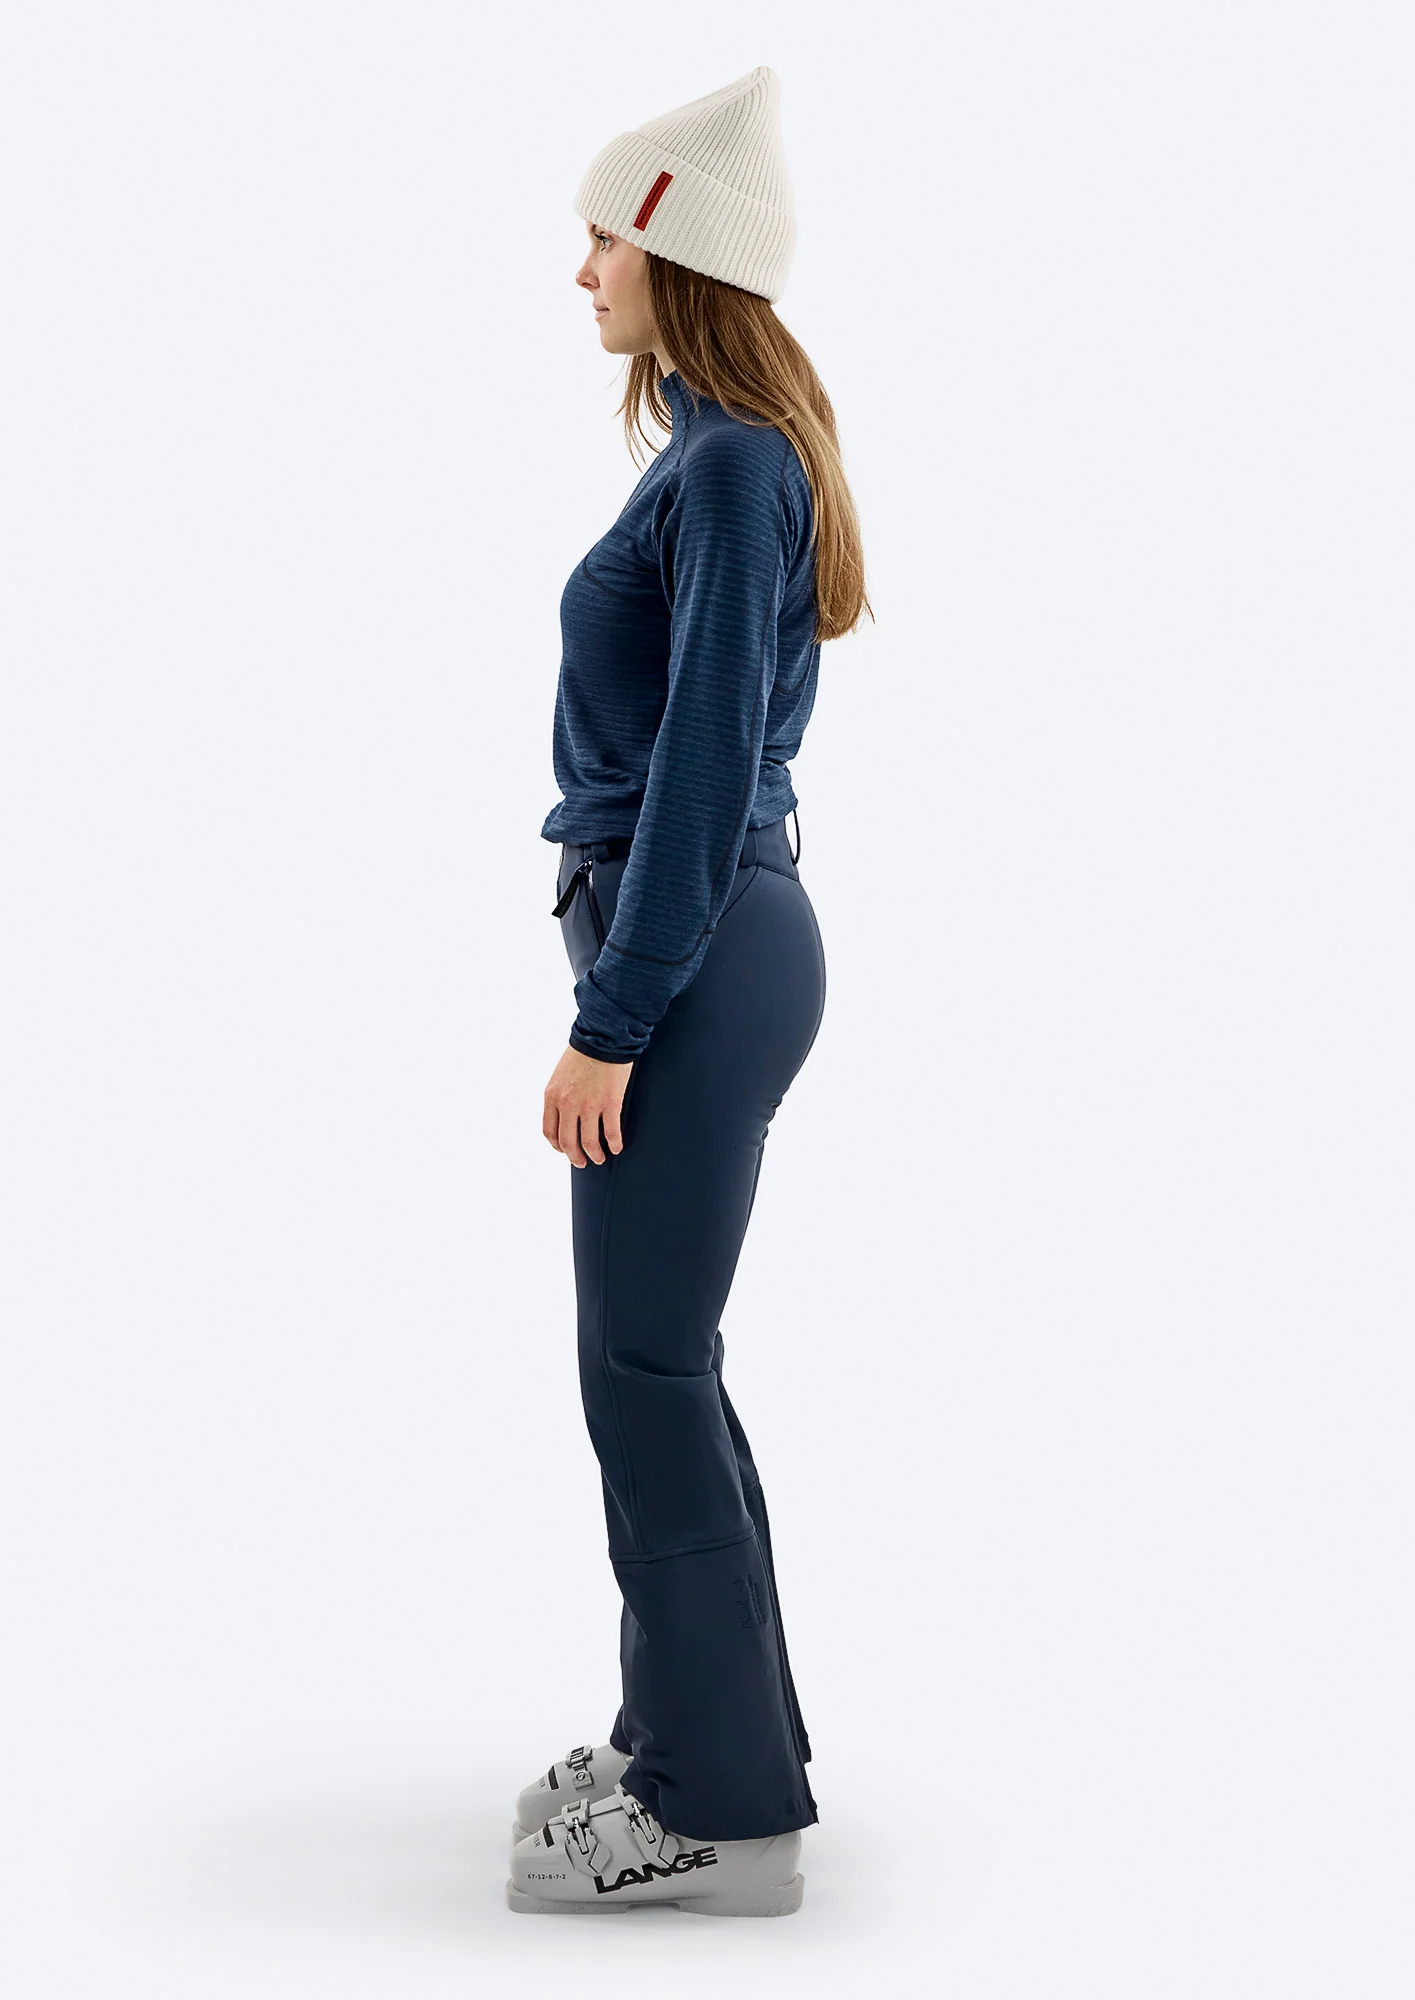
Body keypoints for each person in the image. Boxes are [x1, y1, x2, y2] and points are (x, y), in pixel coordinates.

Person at [507, 65, 871, 1918]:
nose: (582, 271)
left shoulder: (729, 466)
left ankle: (717, 1817)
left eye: (604, 239)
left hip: (698, 947)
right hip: (706, 937)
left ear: (677, 250)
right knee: (658, 1370)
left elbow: (707, 766)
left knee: (643, 1375)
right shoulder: (720, 453)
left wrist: (611, 1021)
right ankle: (707, 1748)